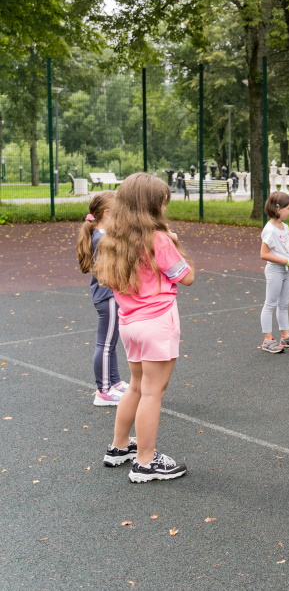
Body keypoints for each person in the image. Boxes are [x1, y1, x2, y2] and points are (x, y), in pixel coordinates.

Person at [93, 173, 194, 482]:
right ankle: (146, 463)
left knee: (136, 386)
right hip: (157, 323)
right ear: (152, 206)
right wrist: (174, 244)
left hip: (130, 324)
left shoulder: (111, 237)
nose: (165, 208)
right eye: (163, 203)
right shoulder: (157, 238)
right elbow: (186, 276)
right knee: (152, 393)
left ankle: (119, 446)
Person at [77, 192, 130, 406]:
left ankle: (114, 382)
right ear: (107, 213)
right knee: (106, 343)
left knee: (111, 342)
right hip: (108, 295)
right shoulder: (102, 237)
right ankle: (104, 391)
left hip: (109, 294)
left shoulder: (102, 234)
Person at [259, 191, 289, 354]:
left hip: (286, 271)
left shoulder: (284, 227)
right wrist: (286, 261)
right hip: (275, 271)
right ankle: (267, 340)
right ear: (279, 209)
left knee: (284, 304)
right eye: (288, 208)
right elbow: (264, 254)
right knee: (270, 304)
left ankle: (285, 337)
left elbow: (285, 248)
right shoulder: (270, 230)